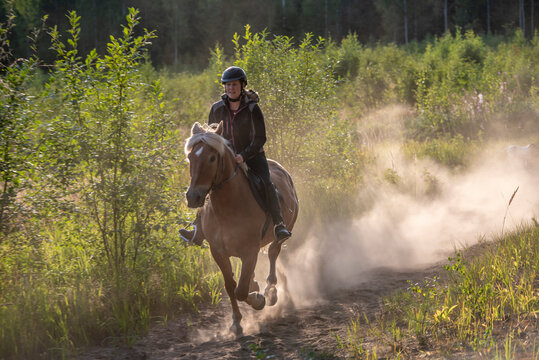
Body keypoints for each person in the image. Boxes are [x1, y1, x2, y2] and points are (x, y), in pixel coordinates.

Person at [180, 66, 292, 245]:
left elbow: (260, 138)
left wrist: (243, 156)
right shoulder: (216, 108)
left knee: (266, 181)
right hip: (225, 158)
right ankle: (198, 229)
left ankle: (279, 224)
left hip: (252, 156)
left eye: (234, 84)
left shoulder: (252, 109)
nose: (230, 88)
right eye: (227, 85)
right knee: (207, 183)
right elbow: (212, 136)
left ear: (242, 85)